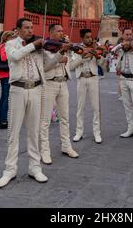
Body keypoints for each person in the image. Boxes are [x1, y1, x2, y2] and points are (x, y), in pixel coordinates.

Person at [0, 18, 60, 188]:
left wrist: (60, 53)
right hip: (18, 89)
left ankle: (35, 167)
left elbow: (48, 64)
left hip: (37, 89)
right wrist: (34, 45)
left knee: (34, 131)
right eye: (26, 28)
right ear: (17, 30)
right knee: (13, 131)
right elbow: (15, 57)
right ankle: (10, 170)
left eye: (32, 27)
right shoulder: (11, 44)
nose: (31, 30)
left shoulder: (39, 47)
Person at [39, 24, 79, 165]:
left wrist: (79, 57)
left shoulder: (65, 46)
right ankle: (44, 151)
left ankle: (66, 146)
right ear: (50, 32)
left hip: (63, 84)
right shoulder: (45, 47)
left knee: (65, 118)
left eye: (63, 31)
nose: (61, 33)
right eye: (58, 31)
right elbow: (45, 67)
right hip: (49, 84)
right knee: (45, 121)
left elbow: (70, 66)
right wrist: (59, 56)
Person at [71, 29, 106, 144]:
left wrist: (97, 55)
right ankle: (79, 132)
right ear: (82, 38)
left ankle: (97, 132)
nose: (90, 39)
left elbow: (103, 65)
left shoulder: (96, 48)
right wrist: (82, 58)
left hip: (93, 78)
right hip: (81, 79)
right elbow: (71, 66)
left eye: (91, 37)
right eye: (87, 37)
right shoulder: (75, 49)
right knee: (80, 107)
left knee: (96, 107)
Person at [0, 31, 15, 129]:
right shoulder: (6, 46)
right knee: (6, 97)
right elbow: (3, 58)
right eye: (11, 37)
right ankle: (3, 120)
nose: (13, 39)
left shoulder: (2, 45)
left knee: (3, 97)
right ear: (6, 38)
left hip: (4, 74)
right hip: (6, 74)